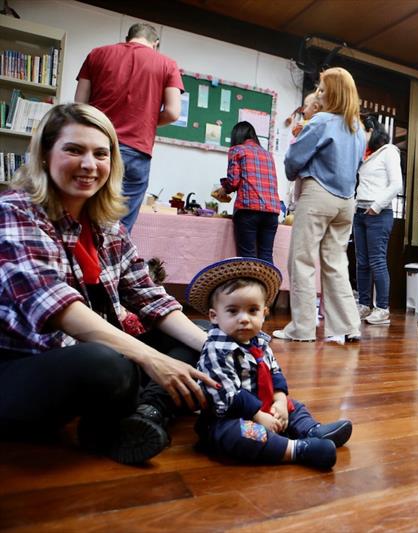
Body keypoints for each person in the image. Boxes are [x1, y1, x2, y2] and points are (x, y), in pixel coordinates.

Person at [0, 103, 217, 464]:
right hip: (21, 366)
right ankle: (129, 414)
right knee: (107, 363)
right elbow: (58, 308)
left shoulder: (108, 226)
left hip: (90, 352)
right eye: (74, 150)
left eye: (101, 154)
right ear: (45, 155)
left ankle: (144, 415)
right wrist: (152, 359)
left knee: (204, 335)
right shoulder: (14, 211)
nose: (89, 164)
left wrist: (221, 349)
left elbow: (150, 297)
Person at [188, 257, 353, 470]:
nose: (244, 318)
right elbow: (226, 396)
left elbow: (275, 373)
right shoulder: (216, 349)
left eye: (252, 310)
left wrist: (280, 402)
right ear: (214, 316)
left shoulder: (260, 343)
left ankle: (312, 430)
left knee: (295, 406)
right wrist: (259, 416)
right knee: (241, 433)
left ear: (264, 313)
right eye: (233, 311)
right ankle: (297, 449)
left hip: (263, 404)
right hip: (229, 417)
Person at [272, 67, 366, 344]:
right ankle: (348, 326)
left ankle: (302, 329)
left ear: (334, 94)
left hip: (318, 195)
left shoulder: (321, 121)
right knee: (336, 263)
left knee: (301, 260)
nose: (319, 94)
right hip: (346, 201)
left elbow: (294, 159)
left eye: (323, 90)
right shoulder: (358, 129)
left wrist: (292, 173)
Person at [75, 22, 183, 232]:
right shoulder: (168, 64)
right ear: (156, 43)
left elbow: (79, 105)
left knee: (84, 217)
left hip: (97, 146)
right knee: (119, 229)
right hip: (136, 150)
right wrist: (146, 120)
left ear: (127, 39)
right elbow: (172, 112)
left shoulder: (97, 54)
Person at [354, 115, 403, 326]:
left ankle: (382, 308)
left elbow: (396, 185)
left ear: (371, 130)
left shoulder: (389, 151)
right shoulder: (364, 154)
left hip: (378, 213)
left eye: (361, 131)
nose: (358, 135)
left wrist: (376, 207)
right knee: (362, 262)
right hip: (359, 212)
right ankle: (364, 305)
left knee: (377, 261)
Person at [212, 121, 281, 263]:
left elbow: (233, 182)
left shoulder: (237, 150)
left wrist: (224, 189)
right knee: (266, 257)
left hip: (248, 210)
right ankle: (270, 279)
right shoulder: (268, 154)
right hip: (272, 212)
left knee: (248, 258)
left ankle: (249, 279)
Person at [286, 92, 323, 213]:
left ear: (316, 108)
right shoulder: (306, 124)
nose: (304, 110)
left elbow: (293, 157)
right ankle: (296, 202)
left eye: (306, 106)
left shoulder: (313, 126)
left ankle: (296, 203)